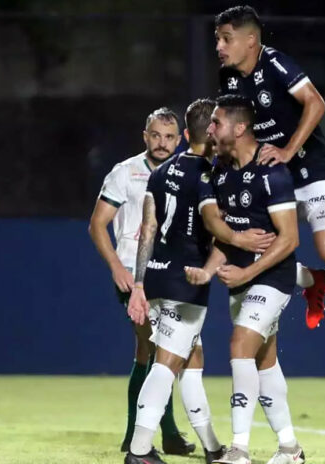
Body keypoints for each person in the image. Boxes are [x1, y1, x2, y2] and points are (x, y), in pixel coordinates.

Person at [214, 5, 325, 329]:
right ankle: (314, 282)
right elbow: (232, 127)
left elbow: (316, 102)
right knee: (251, 248)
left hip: (310, 163)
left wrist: (288, 149)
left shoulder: (276, 63)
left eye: (226, 39)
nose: (219, 47)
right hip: (270, 172)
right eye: (217, 40)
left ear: (250, 40)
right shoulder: (228, 77)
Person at [195, 95, 305, 464]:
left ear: (239, 128)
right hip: (242, 279)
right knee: (264, 361)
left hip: (272, 276)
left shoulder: (272, 171)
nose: (210, 129)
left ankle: (238, 448)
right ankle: (290, 448)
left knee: (240, 345)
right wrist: (210, 270)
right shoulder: (222, 171)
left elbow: (290, 238)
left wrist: (248, 271)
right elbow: (228, 236)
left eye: (216, 122)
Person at [124, 98, 227, 464]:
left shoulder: (160, 172)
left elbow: (147, 229)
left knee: (191, 361)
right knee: (166, 364)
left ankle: (213, 447)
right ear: (213, 133)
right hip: (187, 283)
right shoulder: (210, 178)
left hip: (155, 276)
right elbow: (216, 230)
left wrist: (139, 284)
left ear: (185, 134)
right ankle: (138, 451)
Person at [88, 108, 194, 456]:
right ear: (144, 136)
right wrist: (117, 267)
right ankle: (144, 437)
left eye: (169, 137)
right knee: (154, 349)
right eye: (155, 135)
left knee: (160, 354)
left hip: (172, 275)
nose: (162, 143)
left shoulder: (187, 174)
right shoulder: (126, 172)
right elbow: (97, 224)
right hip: (135, 276)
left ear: (179, 139)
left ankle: (157, 435)